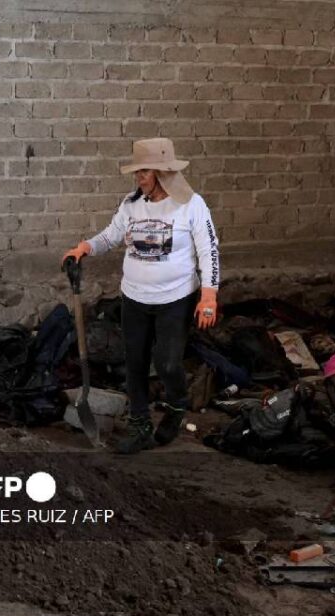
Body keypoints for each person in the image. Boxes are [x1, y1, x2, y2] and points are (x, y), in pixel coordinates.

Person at [62, 138, 221, 455]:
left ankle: (177, 404)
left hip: (175, 299)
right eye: (138, 172)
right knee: (134, 363)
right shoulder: (131, 203)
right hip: (134, 297)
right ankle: (140, 426)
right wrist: (85, 248)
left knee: (167, 362)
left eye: (144, 171)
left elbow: (209, 249)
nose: (139, 177)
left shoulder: (191, 204)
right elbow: (110, 235)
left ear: (163, 172)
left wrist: (209, 295)